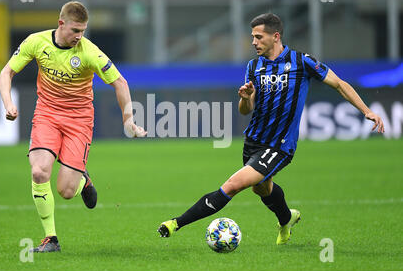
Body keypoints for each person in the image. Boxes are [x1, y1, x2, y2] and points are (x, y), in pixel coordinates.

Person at [158, 13, 385, 245]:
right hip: (254, 141)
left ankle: (175, 223)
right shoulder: (253, 66)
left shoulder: (301, 61)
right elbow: (245, 110)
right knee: (262, 189)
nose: (253, 42)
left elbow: (339, 84)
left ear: (275, 36)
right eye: (252, 37)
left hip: (280, 145)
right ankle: (287, 219)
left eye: (259, 37)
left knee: (232, 185)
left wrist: (366, 110)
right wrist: (245, 98)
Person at [0, 1, 146, 253]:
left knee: (66, 190)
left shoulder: (89, 52)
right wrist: (9, 104)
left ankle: (82, 181)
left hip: (79, 121)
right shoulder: (36, 42)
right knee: (39, 172)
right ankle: (51, 239)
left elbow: (120, 83)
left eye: (83, 31)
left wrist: (128, 120)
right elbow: (6, 73)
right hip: (46, 114)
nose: (79, 36)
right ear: (61, 24)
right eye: (75, 30)